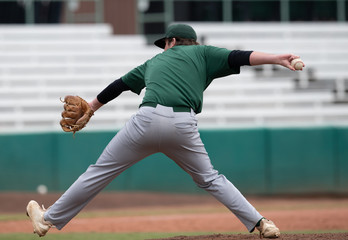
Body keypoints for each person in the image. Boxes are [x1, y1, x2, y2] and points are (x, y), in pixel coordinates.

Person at [26, 23, 304, 238]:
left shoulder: (154, 61)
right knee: (210, 178)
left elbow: (119, 85)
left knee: (100, 171)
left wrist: (92, 106)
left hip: (145, 120)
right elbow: (240, 56)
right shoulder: (204, 53)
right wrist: (276, 58)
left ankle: (48, 219)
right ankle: (261, 223)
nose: (163, 48)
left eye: (165, 43)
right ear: (193, 43)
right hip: (183, 125)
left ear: (171, 42)